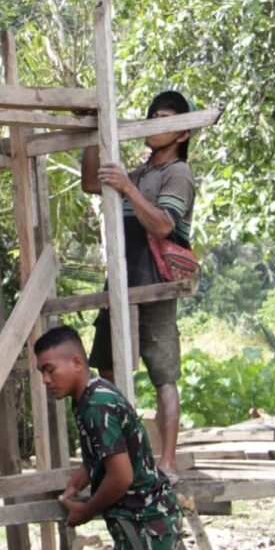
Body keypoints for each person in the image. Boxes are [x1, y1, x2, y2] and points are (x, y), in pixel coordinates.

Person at [35, 326, 205, 550]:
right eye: (42, 371)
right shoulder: (93, 394)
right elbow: (114, 449)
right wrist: (83, 474)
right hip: (155, 520)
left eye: (49, 369)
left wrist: (86, 510)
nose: (45, 379)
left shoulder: (95, 405)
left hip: (141, 527)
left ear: (76, 362)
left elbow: (121, 477)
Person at [81, 90, 195, 480]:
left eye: (161, 119)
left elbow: (164, 224)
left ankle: (167, 461)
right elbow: (90, 183)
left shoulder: (176, 173)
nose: (151, 123)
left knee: (163, 373)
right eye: (150, 117)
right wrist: (94, 133)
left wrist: (127, 188)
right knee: (110, 367)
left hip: (156, 282)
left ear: (180, 133)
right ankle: (127, 454)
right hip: (122, 280)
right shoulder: (142, 172)